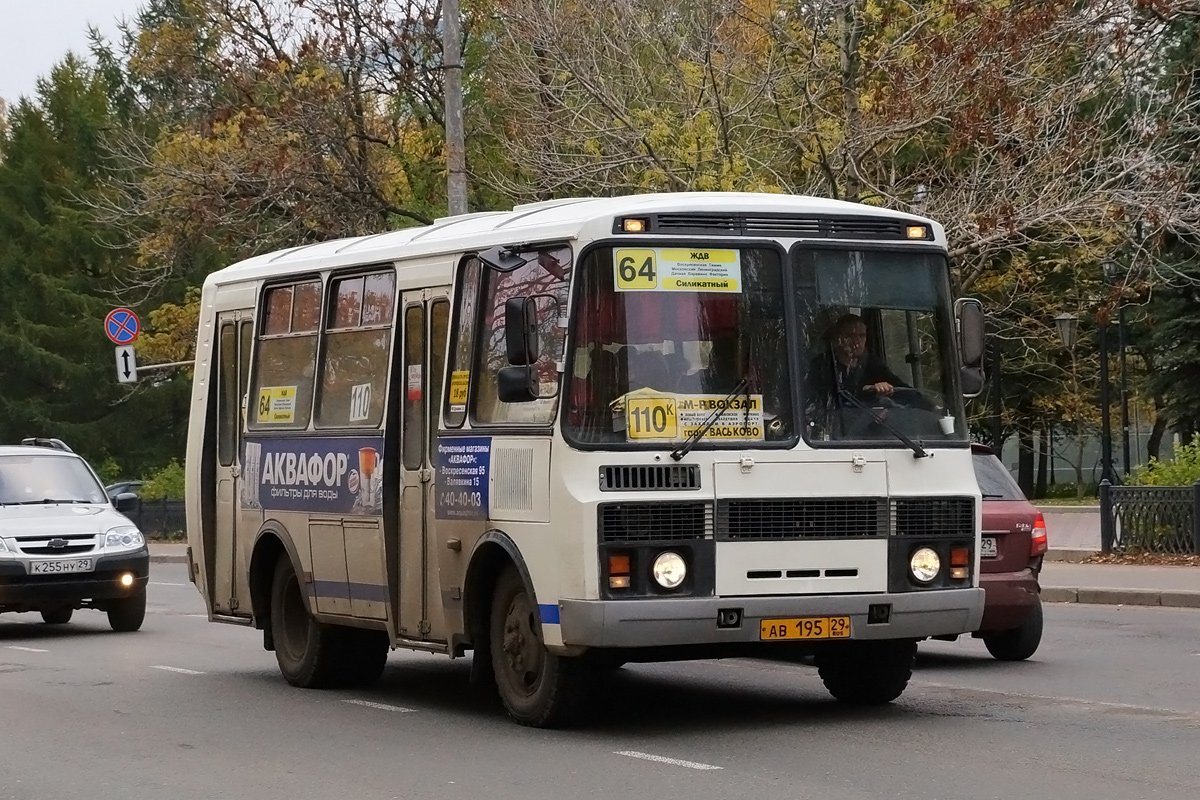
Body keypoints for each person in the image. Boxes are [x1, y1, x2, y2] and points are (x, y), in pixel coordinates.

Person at [807, 313, 908, 406]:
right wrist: (868, 390)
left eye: (861, 335)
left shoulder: (872, 363)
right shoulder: (822, 364)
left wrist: (888, 390)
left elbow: (903, 390)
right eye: (850, 336)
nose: (857, 341)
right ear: (838, 338)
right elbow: (825, 401)